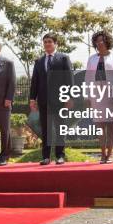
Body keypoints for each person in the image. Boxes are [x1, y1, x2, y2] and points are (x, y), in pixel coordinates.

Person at [29, 33, 74, 165]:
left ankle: (60, 155)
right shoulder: (39, 61)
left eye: (49, 41)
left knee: (60, 128)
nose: (47, 44)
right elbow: (35, 82)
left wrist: (69, 97)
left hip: (60, 100)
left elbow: (69, 79)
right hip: (43, 101)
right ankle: (46, 157)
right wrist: (32, 99)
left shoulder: (64, 58)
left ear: (55, 44)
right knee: (46, 129)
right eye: (45, 42)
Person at [85, 30, 113, 164]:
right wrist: (87, 96)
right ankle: (102, 153)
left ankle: (110, 153)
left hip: (111, 93)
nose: (99, 43)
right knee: (99, 125)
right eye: (97, 41)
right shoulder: (92, 58)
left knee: (111, 125)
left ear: (107, 41)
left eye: (102, 40)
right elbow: (88, 78)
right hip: (96, 94)